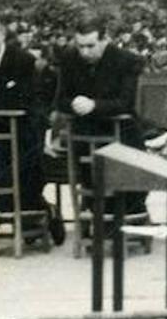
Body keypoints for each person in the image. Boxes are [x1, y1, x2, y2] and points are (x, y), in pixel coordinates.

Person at [0, 14, 62, 241]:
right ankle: (42, 212)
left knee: (25, 181)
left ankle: (38, 214)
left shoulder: (22, 60)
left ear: (2, 35)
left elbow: (22, 100)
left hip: (23, 134)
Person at [53, 14, 148, 217]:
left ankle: (129, 211)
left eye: (90, 46)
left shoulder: (127, 61)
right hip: (85, 135)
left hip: (121, 133)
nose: (85, 52)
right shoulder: (69, 59)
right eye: (80, 46)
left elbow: (126, 103)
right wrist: (74, 104)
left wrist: (94, 106)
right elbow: (60, 99)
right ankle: (96, 211)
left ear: (105, 40)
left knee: (132, 169)